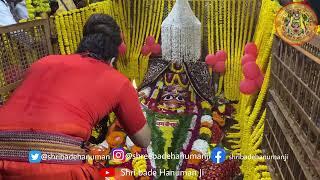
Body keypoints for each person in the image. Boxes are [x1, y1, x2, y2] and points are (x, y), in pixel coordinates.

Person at [0, 14, 151, 179]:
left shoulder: (43, 61)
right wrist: (141, 113)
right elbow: (143, 140)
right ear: (112, 58)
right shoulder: (117, 80)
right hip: (57, 168)